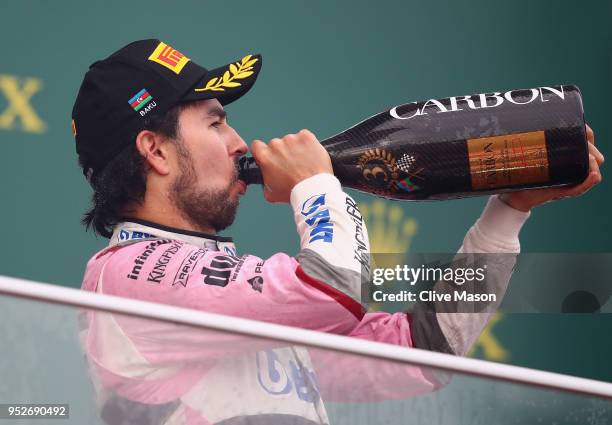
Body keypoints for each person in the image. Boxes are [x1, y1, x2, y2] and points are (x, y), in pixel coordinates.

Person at [73, 39, 604, 424]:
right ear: (156, 151)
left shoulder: (222, 304)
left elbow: (425, 350)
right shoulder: (124, 278)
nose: (240, 142)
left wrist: (508, 211)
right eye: (215, 123)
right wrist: (315, 182)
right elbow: (333, 285)